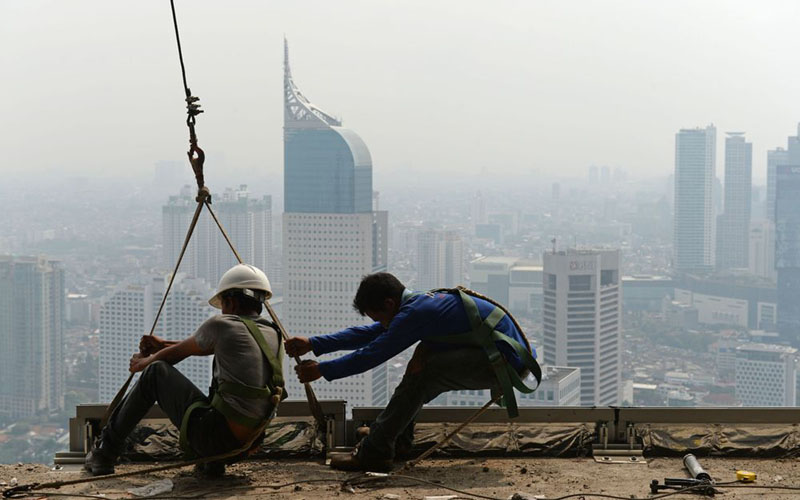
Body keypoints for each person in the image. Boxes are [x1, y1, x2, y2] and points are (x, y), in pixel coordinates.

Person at [287, 272, 539, 471]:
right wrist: (315, 343)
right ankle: (393, 438)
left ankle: (376, 452)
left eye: (378, 316)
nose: (380, 323)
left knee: (426, 372)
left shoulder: (416, 313)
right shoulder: (415, 304)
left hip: (504, 363)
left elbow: (372, 354)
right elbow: (373, 333)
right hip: (499, 355)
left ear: (389, 303)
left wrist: (322, 369)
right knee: (420, 368)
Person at [85, 264, 285, 476]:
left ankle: (104, 452)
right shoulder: (272, 333)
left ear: (231, 302)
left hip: (215, 440)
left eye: (223, 306)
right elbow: (194, 346)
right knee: (223, 400)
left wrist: (142, 363)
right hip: (248, 445)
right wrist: (161, 346)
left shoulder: (223, 324)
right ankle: (211, 464)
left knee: (155, 373)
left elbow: (174, 355)